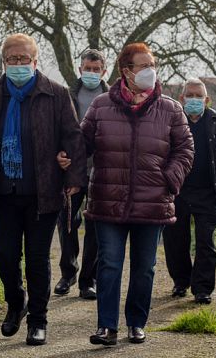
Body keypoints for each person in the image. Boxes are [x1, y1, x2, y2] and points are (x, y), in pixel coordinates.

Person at [0, 33, 86, 346]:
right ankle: (16, 302)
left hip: (43, 191)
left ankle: (38, 319)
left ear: (35, 61)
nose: (18, 65)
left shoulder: (56, 94)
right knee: (5, 255)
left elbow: (72, 137)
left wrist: (71, 171)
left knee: (36, 258)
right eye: (12, 59)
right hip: (4, 189)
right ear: (4, 62)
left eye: (24, 59)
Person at [80, 42, 193, 345]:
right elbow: (83, 142)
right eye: (143, 66)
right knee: (110, 264)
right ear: (126, 71)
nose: (150, 71)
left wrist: (168, 180)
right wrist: (67, 155)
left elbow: (185, 150)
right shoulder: (101, 105)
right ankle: (107, 326)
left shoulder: (171, 108)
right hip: (108, 198)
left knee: (145, 268)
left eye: (152, 64)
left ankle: (136, 322)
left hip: (153, 202)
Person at [162, 78, 216, 304]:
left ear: (206, 100)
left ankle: (203, 289)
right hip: (178, 192)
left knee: (206, 242)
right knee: (176, 240)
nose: (194, 99)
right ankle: (181, 281)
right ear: (182, 98)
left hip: (209, 193)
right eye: (190, 95)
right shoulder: (173, 121)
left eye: (199, 96)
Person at [53, 48, 108, 300]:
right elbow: (54, 129)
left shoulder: (112, 97)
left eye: (96, 69)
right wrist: (58, 154)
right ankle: (68, 272)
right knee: (67, 222)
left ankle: (89, 280)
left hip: (102, 169)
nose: (92, 73)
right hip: (71, 169)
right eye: (88, 68)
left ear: (104, 71)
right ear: (80, 69)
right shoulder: (65, 95)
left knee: (95, 226)